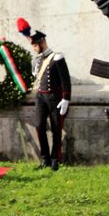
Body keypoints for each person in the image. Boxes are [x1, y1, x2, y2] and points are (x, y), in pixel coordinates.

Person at [17, 18, 71, 171]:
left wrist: (66, 98)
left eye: (35, 45)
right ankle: (45, 158)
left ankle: (55, 159)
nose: (34, 48)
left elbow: (65, 80)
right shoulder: (38, 60)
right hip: (40, 97)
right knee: (39, 126)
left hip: (55, 97)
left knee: (56, 129)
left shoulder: (57, 57)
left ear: (42, 42)